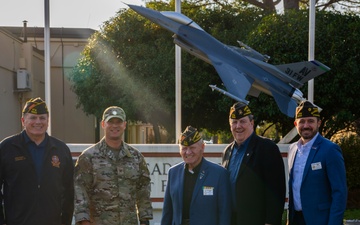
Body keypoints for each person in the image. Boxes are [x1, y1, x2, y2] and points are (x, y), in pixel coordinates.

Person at [0, 97, 74, 225]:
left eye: (42, 118)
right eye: (33, 118)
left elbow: (69, 192)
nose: (38, 122)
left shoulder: (61, 150)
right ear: (23, 120)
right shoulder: (7, 148)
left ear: (48, 120)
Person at [74, 106, 153, 225]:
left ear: (124, 125)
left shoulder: (136, 157)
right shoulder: (88, 157)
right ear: (103, 124)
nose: (114, 126)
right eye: (110, 122)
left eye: (119, 122)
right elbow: (81, 191)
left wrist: (144, 219)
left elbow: (143, 191)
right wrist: (84, 221)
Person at [222, 102, 286, 225]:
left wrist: (271, 222)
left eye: (242, 121)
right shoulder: (227, 151)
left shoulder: (267, 148)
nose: (238, 126)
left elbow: (276, 191)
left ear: (252, 123)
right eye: (234, 122)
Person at [287, 100, 347, 225]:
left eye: (310, 121)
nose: (306, 125)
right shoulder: (292, 149)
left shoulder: (330, 149)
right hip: (296, 220)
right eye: (302, 121)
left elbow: (339, 192)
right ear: (295, 124)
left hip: (321, 221)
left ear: (318, 123)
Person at [161, 126, 232, 225]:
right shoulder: (173, 173)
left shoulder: (219, 174)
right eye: (184, 148)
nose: (188, 152)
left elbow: (224, 214)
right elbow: (167, 213)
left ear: (202, 148)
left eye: (192, 148)